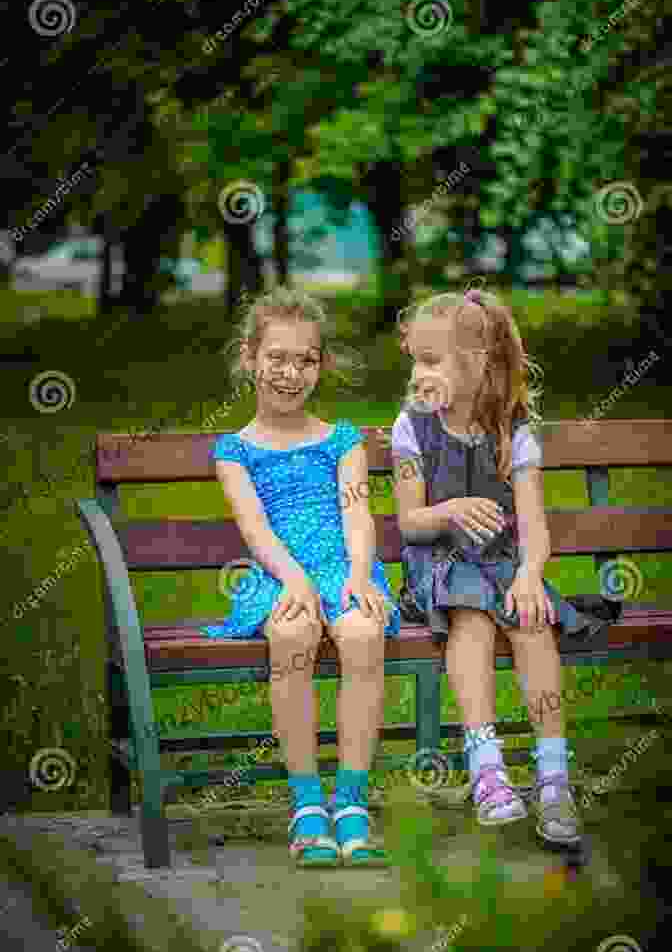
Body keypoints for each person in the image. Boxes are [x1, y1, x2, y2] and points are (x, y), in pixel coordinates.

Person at [391, 288, 618, 846]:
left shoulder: (512, 434)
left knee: (533, 622)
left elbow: (534, 526)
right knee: (470, 620)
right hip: (440, 568)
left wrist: (529, 574)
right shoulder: (410, 429)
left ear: (477, 364)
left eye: (433, 360)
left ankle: (553, 775)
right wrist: (446, 511)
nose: (419, 374)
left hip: (503, 564)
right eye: (416, 360)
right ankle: (487, 768)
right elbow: (409, 523)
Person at [200, 286, 400, 867]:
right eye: (277, 359)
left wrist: (361, 573)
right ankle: (307, 802)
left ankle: (352, 802)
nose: (291, 373)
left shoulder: (342, 441)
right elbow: (255, 529)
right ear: (250, 358)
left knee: (363, 633)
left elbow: (357, 512)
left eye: (306, 360)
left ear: (322, 365)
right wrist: (293, 580)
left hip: (342, 568)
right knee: (291, 636)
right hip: (277, 573)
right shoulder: (234, 450)